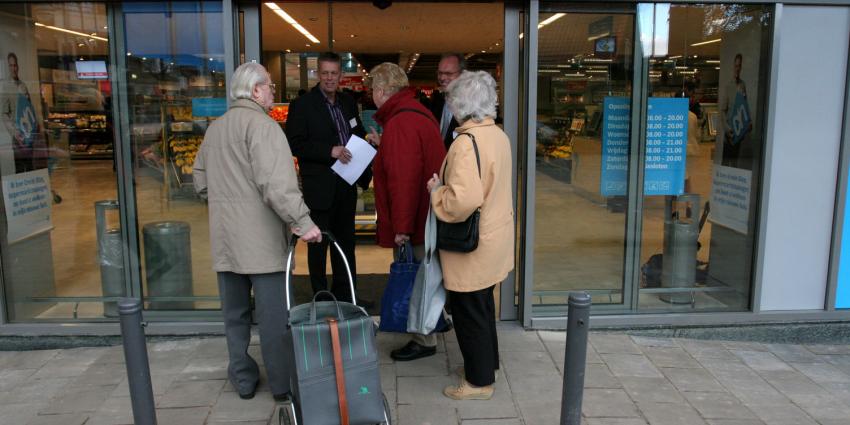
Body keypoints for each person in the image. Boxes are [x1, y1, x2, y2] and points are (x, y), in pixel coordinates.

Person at [193, 62, 322, 401]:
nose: (273, 92)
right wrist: (304, 223)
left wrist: (228, 204)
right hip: (263, 244)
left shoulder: (215, 129)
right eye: (269, 86)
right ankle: (282, 385)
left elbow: (201, 184)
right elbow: (277, 186)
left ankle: (243, 378)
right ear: (254, 90)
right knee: (274, 319)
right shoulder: (264, 128)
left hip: (225, 241)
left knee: (234, 317)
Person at [426, 70, 514, 400]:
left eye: (451, 98)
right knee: (482, 308)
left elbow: (463, 200)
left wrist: (437, 191)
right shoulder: (497, 135)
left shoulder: (466, 143)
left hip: (473, 247)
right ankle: (486, 365)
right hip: (495, 238)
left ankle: (478, 383)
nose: (449, 103)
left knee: (468, 312)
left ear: (462, 104)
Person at [367, 62, 447, 361]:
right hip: (427, 214)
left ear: (384, 90)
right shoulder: (415, 114)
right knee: (426, 274)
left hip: (414, 220)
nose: (371, 95)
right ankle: (430, 324)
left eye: (373, 89)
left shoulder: (400, 122)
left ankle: (423, 338)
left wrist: (401, 226)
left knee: (415, 277)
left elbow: (404, 180)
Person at [286, 52, 371, 305]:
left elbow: (356, 131)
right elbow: (295, 144)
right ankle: (321, 299)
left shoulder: (347, 102)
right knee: (318, 245)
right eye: (325, 73)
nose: (330, 78)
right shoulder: (302, 105)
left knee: (346, 244)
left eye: (334, 73)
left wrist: (369, 139)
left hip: (346, 184)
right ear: (318, 74)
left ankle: (347, 297)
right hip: (319, 188)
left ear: (341, 76)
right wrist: (329, 151)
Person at [1, 52, 44, 173]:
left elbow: (29, 108)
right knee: (20, 169)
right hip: (18, 136)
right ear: (7, 67)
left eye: (15, 65)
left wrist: (36, 125)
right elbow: (4, 114)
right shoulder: (5, 87)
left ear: (18, 66)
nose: (13, 68)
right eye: (11, 65)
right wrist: (14, 133)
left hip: (29, 134)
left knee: (30, 167)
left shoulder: (23, 85)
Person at [720, 53, 753, 168]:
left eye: (739, 66)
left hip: (738, 133)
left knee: (734, 165)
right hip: (729, 134)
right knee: (725, 164)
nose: (737, 68)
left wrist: (748, 122)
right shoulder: (728, 86)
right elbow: (722, 110)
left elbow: (744, 106)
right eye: (736, 66)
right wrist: (727, 128)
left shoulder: (743, 85)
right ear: (733, 66)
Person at [427, 53, 465, 150]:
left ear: (462, 74)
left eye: (449, 73)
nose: (442, 78)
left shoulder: (472, 107)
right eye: (440, 73)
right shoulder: (435, 102)